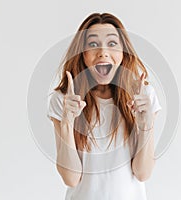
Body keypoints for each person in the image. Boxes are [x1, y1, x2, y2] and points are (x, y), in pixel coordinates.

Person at [47, 12, 162, 200]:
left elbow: (143, 173)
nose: (103, 52)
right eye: (92, 44)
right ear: (82, 53)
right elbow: (71, 178)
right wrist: (67, 122)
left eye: (112, 43)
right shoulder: (64, 99)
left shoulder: (142, 96)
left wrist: (146, 124)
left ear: (123, 52)